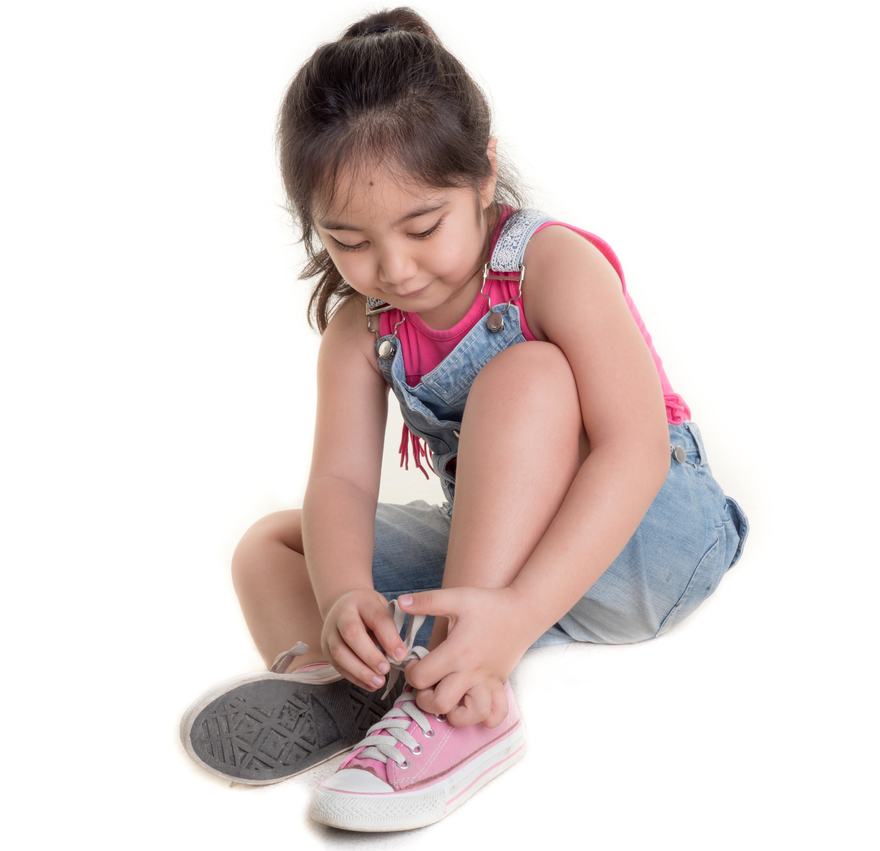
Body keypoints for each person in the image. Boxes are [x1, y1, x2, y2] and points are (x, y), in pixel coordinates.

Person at [180, 7, 749, 832]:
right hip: (500, 562)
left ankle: (467, 703)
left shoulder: (551, 264)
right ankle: (351, 680)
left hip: (645, 541)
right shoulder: (359, 329)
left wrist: (513, 618)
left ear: (484, 175)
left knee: (529, 375)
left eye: (422, 226)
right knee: (272, 545)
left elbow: (634, 451)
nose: (394, 269)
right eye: (350, 240)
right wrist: (343, 598)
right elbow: (338, 480)